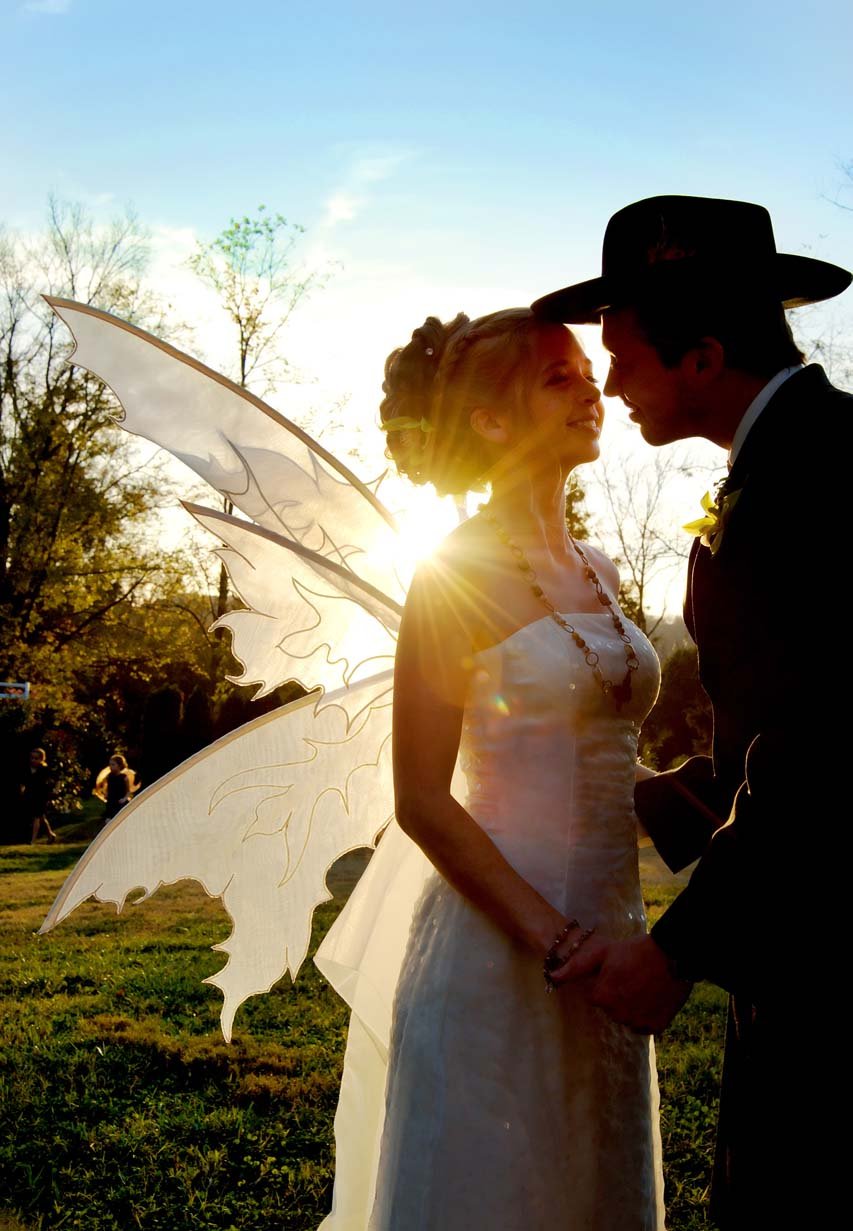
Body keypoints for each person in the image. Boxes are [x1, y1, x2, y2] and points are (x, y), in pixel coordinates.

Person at [531, 194, 852, 1228]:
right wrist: (611, 789)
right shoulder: (785, 466)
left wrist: (678, 953)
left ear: (703, 356)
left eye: (621, 355)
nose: (611, 381)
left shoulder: (823, 481)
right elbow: (781, 727)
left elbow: (825, 754)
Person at [323, 307, 666, 1229]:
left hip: (614, 929)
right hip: (501, 940)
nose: (591, 388)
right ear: (489, 420)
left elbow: (588, 744)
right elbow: (422, 799)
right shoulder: (449, 575)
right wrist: (556, 940)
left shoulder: (596, 566)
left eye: (589, 372)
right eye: (558, 377)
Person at [21, 747, 58, 844]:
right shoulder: (28, 769)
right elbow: (25, 781)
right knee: (41, 817)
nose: (33, 760)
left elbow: (48, 783)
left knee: (36, 817)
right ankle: (50, 835)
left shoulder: (44, 770)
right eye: (32, 758)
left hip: (40, 796)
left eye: (36, 758)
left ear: (42, 759)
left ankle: (32, 840)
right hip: (30, 795)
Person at [93, 754, 138, 822]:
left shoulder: (124, 777)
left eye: (113, 764)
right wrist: (106, 794)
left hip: (120, 803)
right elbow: (108, 788)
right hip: (111, 803)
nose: (110, 767)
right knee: (108, 821)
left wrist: (124, 799)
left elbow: (128, 791)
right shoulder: (109, 776)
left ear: (119, 766)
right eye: (110, 764)